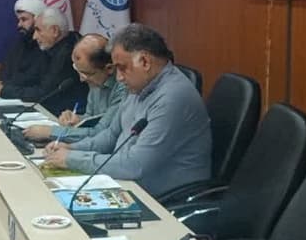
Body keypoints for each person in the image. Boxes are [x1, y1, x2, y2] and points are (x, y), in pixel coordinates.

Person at [44, 24, 210, 195]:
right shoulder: (138, 87)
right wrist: (72, 148)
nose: (119, 78)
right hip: (129, 182)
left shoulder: (173, 96)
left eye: (122, 68)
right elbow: (110, 136)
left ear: (145, 62)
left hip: (165, 198)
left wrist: (73, 160)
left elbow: (135, 165)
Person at [24, 34, 125, 144]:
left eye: (86, 74)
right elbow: (91, 118)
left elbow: (101, 132)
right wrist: (78, 119)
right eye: (77, 70)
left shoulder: (124, 88)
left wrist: (50, 132)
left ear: (109, 68)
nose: (82, 79)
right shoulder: (95, 81)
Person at [0, 6, 85, 115]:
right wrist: (3, 85)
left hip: (63, 116)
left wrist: (3, 90)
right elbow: (30, 78)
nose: (34, 37)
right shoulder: (50, 48)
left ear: (54, 31)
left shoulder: (68, 54)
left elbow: (43, 93)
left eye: (38, 30)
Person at [0, 0, 47, 97]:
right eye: (18, 20)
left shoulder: (45, 47)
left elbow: (32, 81)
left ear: (38, 20)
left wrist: (3, 87)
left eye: (24, 19)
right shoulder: (19, 44)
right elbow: (3, 74)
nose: (19, 25)